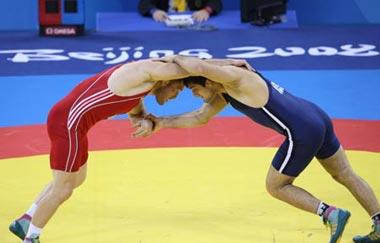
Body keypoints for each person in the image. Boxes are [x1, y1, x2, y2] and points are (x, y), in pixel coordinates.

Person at [139, 55, 380, 243]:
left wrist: (171, 58)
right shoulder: (226, 90)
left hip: (303, 132)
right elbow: (200, 118)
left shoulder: (235, 78)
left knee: (276, 186)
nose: (197, 95)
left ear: (210, 81)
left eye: (195, 90)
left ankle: (330, 213)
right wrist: (161, 122)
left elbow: (199, 67)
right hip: (316, 117)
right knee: (345, 174)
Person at [8, 58, 192, 243]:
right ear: (167, 81)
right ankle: (31, 237)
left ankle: (26, 220)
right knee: (63, 188)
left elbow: (136, 114)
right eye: (177, 89)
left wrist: (146, 121)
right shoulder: (139, 74)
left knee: (76, 178)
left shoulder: (139, 91)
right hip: (68, 124)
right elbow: (191, 68)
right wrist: (214, 67)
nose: (176, 96)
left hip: (72, 124)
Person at [138, 0, 222, 22]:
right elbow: (144, 3)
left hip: (194, 21)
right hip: (165, 20)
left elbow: (216, 2)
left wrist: (206, 11)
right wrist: (154, 11)